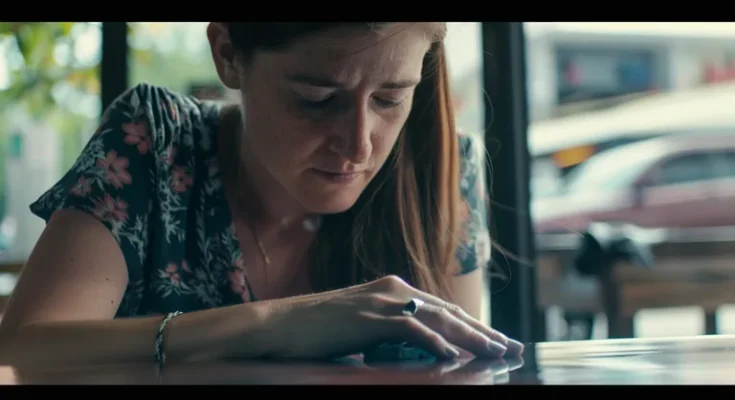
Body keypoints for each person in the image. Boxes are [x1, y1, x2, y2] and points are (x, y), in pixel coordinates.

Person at [0, 22, 523, 367]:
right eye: (317, 100)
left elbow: (460, 368)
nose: (359, 144)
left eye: (390, 98)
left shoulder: (440, 169)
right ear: (228, 53)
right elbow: (24, 349)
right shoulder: (154, 144)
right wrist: (280, 323)